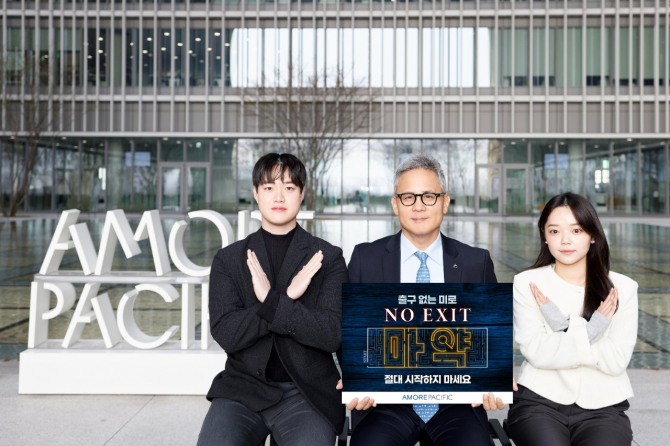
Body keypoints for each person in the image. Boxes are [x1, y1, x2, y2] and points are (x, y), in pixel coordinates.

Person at [344, 153, 504, 446]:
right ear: (395, 204)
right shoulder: (366, 259)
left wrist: (494, 377)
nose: (418, 206)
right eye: (408, 197)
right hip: (385, 401)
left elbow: (490, 336)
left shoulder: (475, 262)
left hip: (456, 402)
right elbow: (351, 334)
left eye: (429, 196)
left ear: (445, 202)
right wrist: (356, 377)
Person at [198, 153, 347, 446]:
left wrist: (271, 301)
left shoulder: (327, 258)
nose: (279, 196)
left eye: (289, 187)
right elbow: (227, 333)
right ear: (255, 193)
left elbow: (332, 334)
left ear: (302, 194)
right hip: (243, 389)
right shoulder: (229, 259)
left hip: (306, 393)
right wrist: (284, 299)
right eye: (269, 187)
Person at [507, 192, 638, 446]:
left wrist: (563, 327)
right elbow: (537, 352)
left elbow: (616, 360)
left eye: (576, 231)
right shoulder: (528, 283)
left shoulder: (623, 288)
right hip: (539, 402)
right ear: (545, 236)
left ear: (592, 235)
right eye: (555, 231)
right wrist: (593, 329)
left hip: (604, 408)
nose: (565, 240)